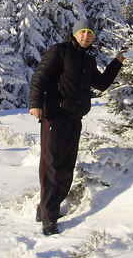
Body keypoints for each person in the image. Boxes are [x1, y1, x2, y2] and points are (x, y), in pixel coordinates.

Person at [28, 19, 124, 236]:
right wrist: (35, 104)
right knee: (52, 165)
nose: (86, 36)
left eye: (90, 33)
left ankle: (44, 209)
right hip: (54, 115)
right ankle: (49, 218)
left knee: (66, 165)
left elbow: (100, 84)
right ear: (75, 33)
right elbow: (39, 78)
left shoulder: (88, 59)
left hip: (74, 118)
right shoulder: (59, 51)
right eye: (83, 32)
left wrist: (117, 62)